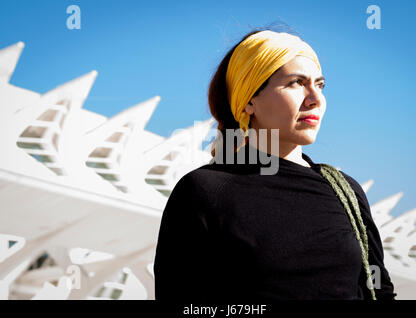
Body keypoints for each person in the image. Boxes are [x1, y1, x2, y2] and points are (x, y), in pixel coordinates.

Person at [153, 28, 397, 301]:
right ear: (249, 101)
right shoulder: (204, 190)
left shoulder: (345, 190)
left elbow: (380, 291)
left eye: (320, 84)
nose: (315, 98)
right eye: (296, 83)